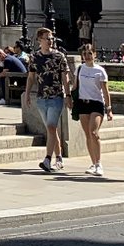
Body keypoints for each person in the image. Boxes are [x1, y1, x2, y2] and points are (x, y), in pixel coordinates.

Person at [25, 27, 71, 173]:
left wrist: (68, 95)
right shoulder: (34, 57)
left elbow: (65, 76)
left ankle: (47, 159)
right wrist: (27, 94)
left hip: (56, 96)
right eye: (47, 38)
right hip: (41, 98)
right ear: (40, 40)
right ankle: (59, 158)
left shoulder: (59, 56)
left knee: (51, 127)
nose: (50, 41)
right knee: (51, 131)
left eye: (51, 38)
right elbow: (31, 77)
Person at [75, 43, 113, 176]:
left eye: (90, 53)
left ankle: (99, 163)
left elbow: (105, 90)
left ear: (95, 54)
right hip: (83, 102)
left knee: (94, 132)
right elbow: (75, 86)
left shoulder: (100, 70)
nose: (87, 56)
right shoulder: (79, 69)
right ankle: (93, 162)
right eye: (85, 54)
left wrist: (109, 108)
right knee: (87, 134)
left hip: (97, 103)